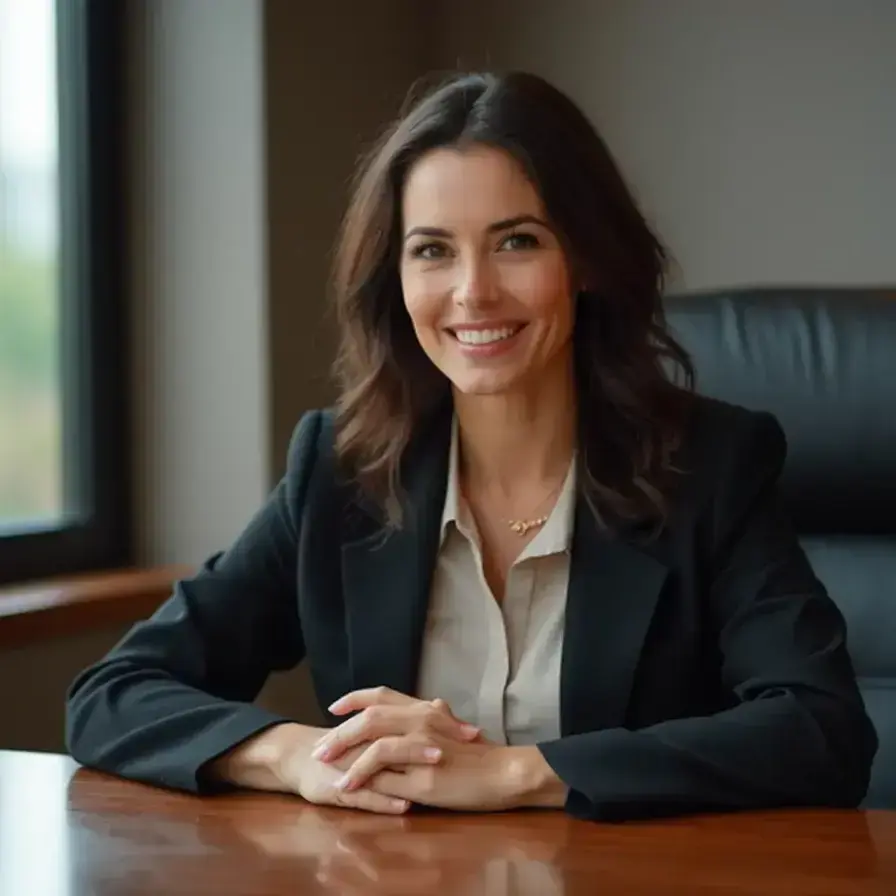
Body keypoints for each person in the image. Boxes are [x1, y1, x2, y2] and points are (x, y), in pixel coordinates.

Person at [65, 71, 877, 822]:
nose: (472, 292)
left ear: (585, 259)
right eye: (433, 250)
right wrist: (297, 756)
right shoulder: (341, 473)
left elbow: (821, 731)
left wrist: (519, 772)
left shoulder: (709, 466)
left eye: (517, 241)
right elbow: (115, 693)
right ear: (397, 278)